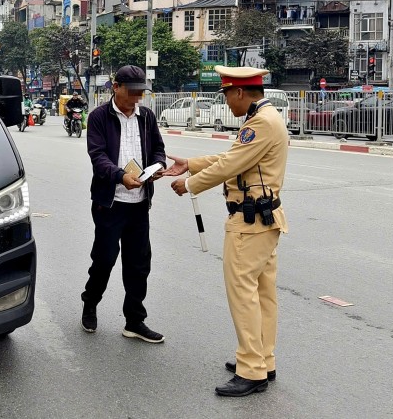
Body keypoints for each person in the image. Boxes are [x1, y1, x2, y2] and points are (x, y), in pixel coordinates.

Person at [164, 66, 290, 397]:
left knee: (243, 294)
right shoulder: (265, 118)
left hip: (249, 225)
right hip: (264, 220)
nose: (226, 102)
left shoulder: (260, 122)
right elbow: (234, 156)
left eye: (226, 95)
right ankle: (263, 359)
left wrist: (189, 183)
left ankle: (252, 370)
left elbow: (230, 165)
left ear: (238, 92)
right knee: (263, 294)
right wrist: (191, 163)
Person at [81, 65, 169, 343]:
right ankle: (90, 302)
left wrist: (158, 166)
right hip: (110, 203)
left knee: (139, 263)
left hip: (140, 202)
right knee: (104, 259)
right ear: (115, 87)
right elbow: (98, 157)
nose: (137, 98)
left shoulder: (147, 117)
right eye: (132, 92)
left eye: (141, 92)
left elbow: (158, 148)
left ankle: (134, 320)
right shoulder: (98, 117)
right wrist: (121, 176)